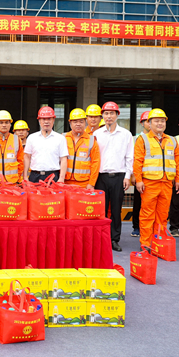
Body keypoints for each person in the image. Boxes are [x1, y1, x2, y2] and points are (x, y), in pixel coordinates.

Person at [132, 109, 179, 249]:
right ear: (149, 123)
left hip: (167, 183)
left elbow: (178, 162)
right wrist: (139, 180)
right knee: (147, 215)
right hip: (149, 183)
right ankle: (145, 244)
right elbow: (137, 161)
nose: (160, 123)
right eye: (156, 121)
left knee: (162, 215)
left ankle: (158, 243)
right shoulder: (142, 139)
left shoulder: (172, 140)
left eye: (162, 121)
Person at [93, 101, 133, 252]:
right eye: (106, 113)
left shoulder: (126, 134)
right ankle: (101, 239)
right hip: (100, 177)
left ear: (117, 115)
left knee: (116, 210)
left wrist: (127, 176)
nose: (109, 116)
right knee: (100, 211)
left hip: (119, 176)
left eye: (112, 113)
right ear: (102, 116)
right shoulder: (96, 135)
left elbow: (129, 157)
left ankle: (114, 239)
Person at [23, 106, 68, 183]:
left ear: (53, 120)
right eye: (43, 119)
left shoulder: (60, 138)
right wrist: (25, 177)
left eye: (49, 119)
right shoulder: (32, 138)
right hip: (35, 176)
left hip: (53, 176)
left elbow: (63, 159)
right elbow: (27, 157)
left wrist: (61, 179)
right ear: (39, 120)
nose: (46, 122)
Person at [65, 108, 100, 189]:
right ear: (70, 123)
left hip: (84, 184)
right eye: (75, 122)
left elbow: (95, 163)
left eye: (81, 121)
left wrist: (91, 183)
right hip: (65, 182)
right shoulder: (63, 138)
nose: (78, 124)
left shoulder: (91, 140)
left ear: (85, 122)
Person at [0, 110, 23, 184]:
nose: (4, 125)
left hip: (12, 183)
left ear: (10, 124)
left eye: (6, 122)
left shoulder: (16, 139)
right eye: (1, 123)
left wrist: (18, 180)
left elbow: (21, 162)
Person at [130, 111, 151, 237]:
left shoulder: (159, 138)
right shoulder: (135, 138)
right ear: (142, 123)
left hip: (153, 176)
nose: (149, 124)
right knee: (138, 202)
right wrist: (134, 175)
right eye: (147, 121)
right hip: (140, 175)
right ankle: (136, 227)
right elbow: (132, 157)